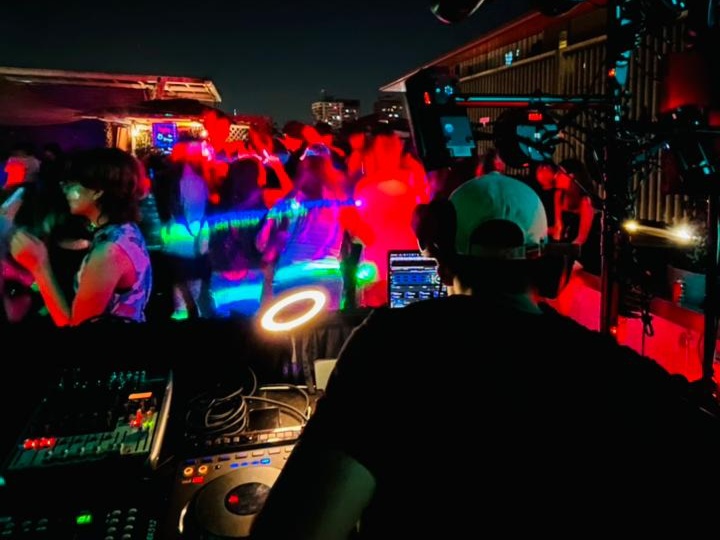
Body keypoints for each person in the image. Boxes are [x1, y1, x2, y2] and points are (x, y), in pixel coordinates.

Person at [251, 173, 720, 539]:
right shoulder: (601, 361)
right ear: (546, 258)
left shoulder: (392, 345)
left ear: (439, 254)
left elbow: (301, 526)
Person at [9, 147, 152, 326]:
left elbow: (77, 327)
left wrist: (39, 266)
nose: (65, 190)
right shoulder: (124, 230)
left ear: (97, 191)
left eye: (72, 184)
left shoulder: (109, 252)